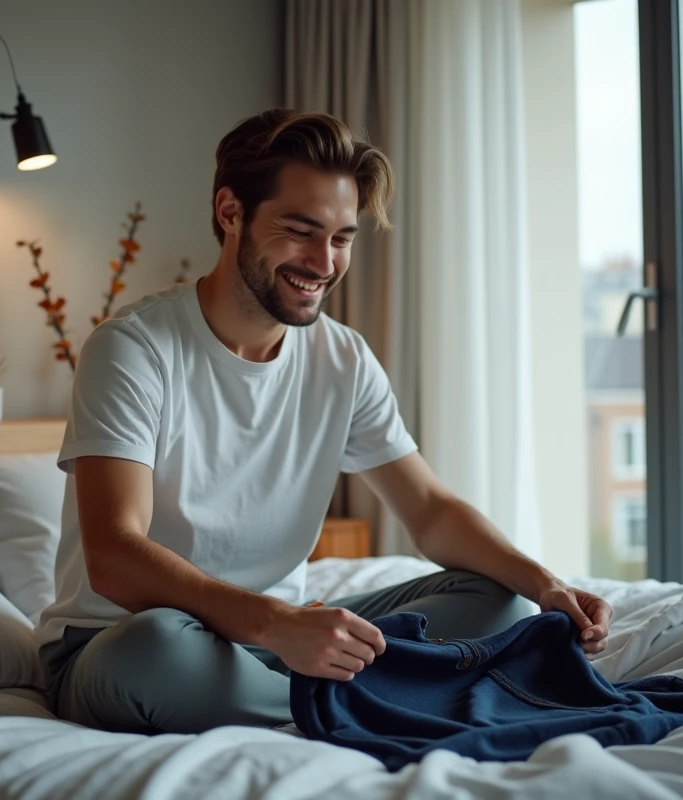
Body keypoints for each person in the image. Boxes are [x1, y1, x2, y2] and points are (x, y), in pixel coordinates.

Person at [34, 108, 613, 735]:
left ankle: (332, 694)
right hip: (127, 641)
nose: (323, 262)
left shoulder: (343, 358)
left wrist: (547, 583)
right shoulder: (134, 348)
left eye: (341, 238)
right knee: (151, 651)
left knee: (499, 600)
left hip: (282, 639)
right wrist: (276, 626)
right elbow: (115, 555)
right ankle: (385, 695)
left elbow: (430, 511)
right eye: (300, 231)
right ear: (231, 213)